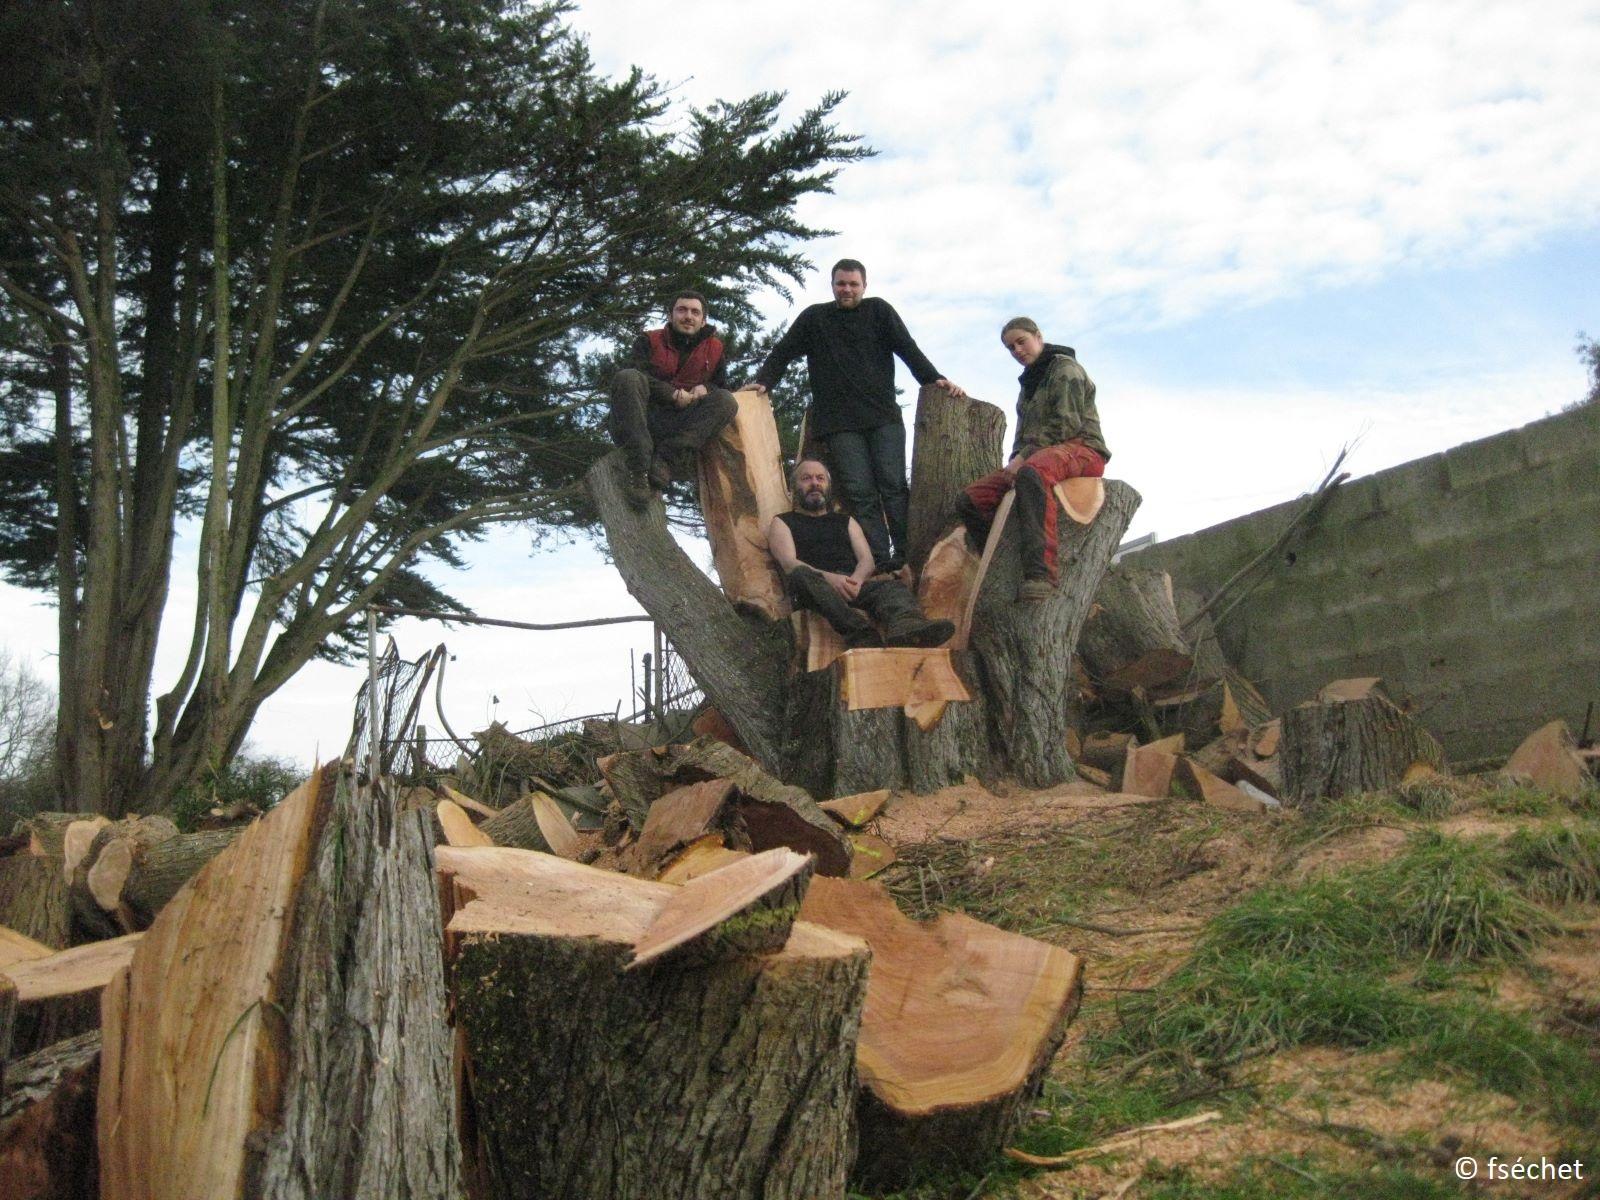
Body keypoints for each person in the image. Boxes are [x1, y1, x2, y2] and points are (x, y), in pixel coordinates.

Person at [749, 259, 965, 570]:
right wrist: (764, 381)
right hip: (838, 424)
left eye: (853, 284)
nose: (847, 289)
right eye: (841, 283)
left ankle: (906, 554)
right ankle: (879, 558)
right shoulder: (815, 318)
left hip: (883, 418)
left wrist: (934, 380)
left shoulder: (879, 311)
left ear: (864, 286)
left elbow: (907, 348)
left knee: (893, 486)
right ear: (832, 285)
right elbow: (783, 351)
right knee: (861, 493)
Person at [957, 318, 1110, 602]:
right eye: (1010, 347)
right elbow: (1021, 434)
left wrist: (1023, 460)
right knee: (971, 500)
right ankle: (998, 562)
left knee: (1033, 474)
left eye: (1021, 342)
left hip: (1081, 447)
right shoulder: (1028, 384)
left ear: (1038, 336)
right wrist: (1014, 460)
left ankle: (1042, 574)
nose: (1016, 350)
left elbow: (1065, 425)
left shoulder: (1065, 369)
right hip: (1039, 453)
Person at [768, 459, 956, 649]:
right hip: (814, 586)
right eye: (806, 478)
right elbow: (789, 563)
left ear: (828, 486)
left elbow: (867, 560)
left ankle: (906, 628)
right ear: (793, 486)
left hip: (852, 584)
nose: (815, 483)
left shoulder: (846, 521)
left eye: (820, 478)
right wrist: (832, 579)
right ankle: (861, 633)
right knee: (800, 575)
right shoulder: (783, 522)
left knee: (891, 588)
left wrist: (855, 582)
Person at [608, 290, 739, 507]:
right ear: (670, 315)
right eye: (682, 310)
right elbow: (635, 373)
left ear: (703, 319)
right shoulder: (648, 340)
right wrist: (671, 394)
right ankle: (638, 468)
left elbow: (721, 385)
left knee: (726, 401)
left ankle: (666, 459)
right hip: (640, 418)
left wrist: (706, 388)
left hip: (678, 426)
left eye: (695, 312)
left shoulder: (715, 349)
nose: (688, 316)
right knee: (628, 377)